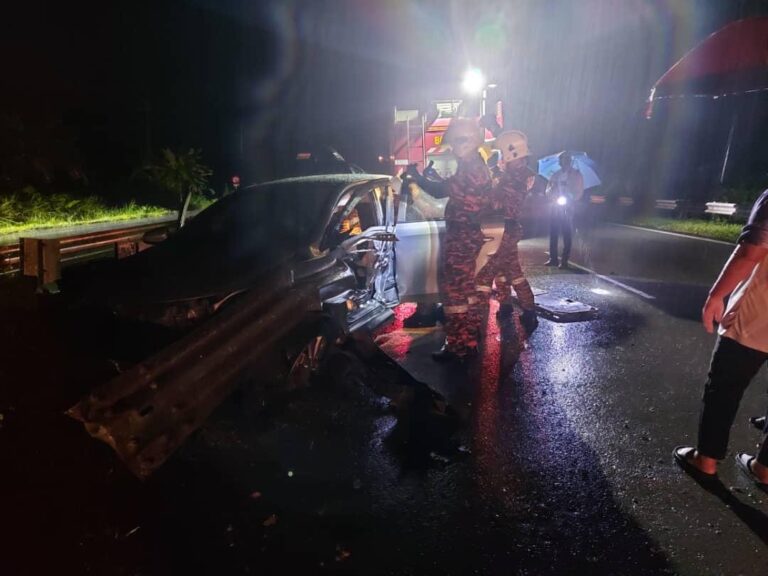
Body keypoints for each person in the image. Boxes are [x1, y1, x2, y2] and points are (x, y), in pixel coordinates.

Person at [673, 189, 768, 487]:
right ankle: (765, 468)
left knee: (725, 385)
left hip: (760, 313)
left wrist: (716, 295)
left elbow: (752, 250)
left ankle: (707, 459)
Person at [406, 118, 492, 362]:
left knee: (454, 294)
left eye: (456, 142)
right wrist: (427, 177)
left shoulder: (472, 168)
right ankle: (469, 342)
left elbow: (441, 191)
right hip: (466, 235)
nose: (453, 148)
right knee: (466, 292)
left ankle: (458, 348)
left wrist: (416, 178)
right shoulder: (473, 166)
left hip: (462, 237)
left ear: (468, 141)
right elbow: (448, 188)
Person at [474, 131, 538, 335]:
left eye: (503, 155)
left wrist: (486, 191)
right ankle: (517, 308)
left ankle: (475, 323)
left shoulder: (513, 180)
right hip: (506, 229)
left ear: (512, 155)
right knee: (509, 271)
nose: (501, 159)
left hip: (502, 230)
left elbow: (497, 203)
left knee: (484, 275)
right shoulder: (517, 175)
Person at [545, 151, 584, 268]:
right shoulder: (555, 175)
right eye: (562, 160)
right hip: (555, 205)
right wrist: (552, 193)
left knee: (567, 233)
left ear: (570, 161)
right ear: (560, 162)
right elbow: (548, 189)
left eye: (567, 160)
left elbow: (579, 190)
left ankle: (564, 260)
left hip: (568, 206)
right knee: (553, 232)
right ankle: (553, 258)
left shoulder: (576, 175)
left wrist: (570, 196)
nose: (565, 162)